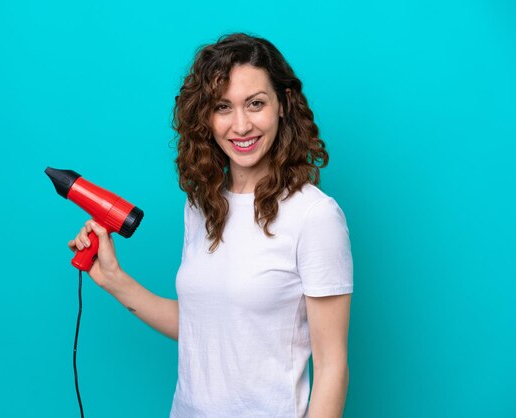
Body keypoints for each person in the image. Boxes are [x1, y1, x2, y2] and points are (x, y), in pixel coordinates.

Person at [68, 32, 353, 418]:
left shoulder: (314, 216)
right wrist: (115, 280)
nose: (240, 125)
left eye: (255, 104)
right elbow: (205, 329)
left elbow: (333, 368)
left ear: (284, 104)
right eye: (223, 107)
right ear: (206, 115)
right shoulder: (202, 205)